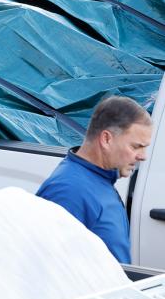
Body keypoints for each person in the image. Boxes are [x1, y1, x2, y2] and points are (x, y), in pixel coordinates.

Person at [36, 96, 152, 264]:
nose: (143, 156)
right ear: (106, 139)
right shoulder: (68, 192)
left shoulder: (99, 179)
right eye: (136, 146)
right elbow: (49, 268)